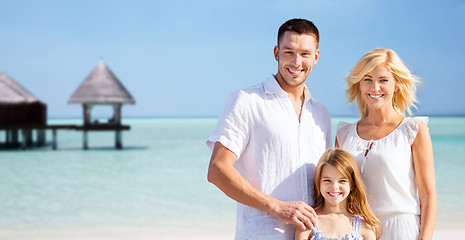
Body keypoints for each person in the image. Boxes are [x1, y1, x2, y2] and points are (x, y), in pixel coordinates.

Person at [207, 18, 332, 239]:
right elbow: (217, 169)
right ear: (276, 53)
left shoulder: (321, 114)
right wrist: (276, 206)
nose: (296, 62)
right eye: (288, 52)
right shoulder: (247, 101)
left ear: (316, 57)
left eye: (304, 54)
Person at [336, 48, 437, 239]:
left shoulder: (413, 130)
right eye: (367, 79)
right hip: (357, 230)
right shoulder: (343, 135)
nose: (375, 88)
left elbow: (428, 196)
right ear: (359, 84)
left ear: (396, 85)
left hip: (401, 229)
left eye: (383, 80)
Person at [295, 148, 381, 240]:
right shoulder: (308, 223)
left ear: (352, 184)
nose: (334, 187)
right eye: (327, 180)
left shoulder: (365, 227)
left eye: (342, 180)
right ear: (318, 183)